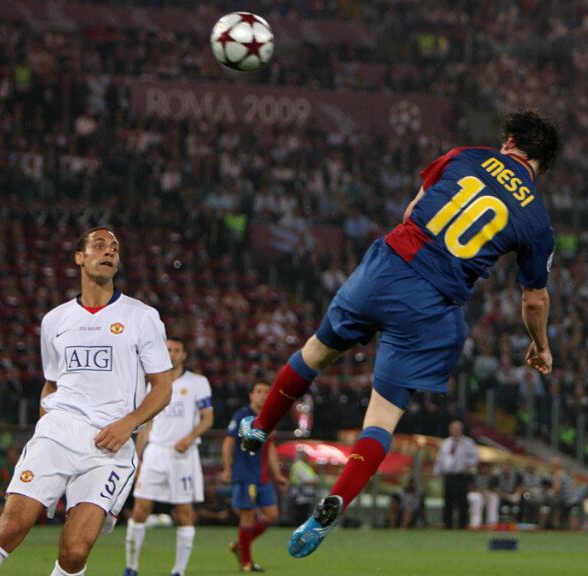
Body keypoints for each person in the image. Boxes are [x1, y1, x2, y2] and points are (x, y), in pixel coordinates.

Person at [239, 109, 563, 557]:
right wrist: (541, 345)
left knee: (316, 352)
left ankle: (259, 427)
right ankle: (338, 498)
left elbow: (414, 208)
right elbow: (533, 300)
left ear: (509, 141)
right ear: (542, 165)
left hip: (388, 266)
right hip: (433, 306)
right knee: (382, 417)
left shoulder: (466, 156)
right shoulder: (537, 221)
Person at [0, 227, 174, 576]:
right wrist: (45, 424)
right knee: (12, 525)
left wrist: (127, 424)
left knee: (75, 551)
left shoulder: (142, 316)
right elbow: (51, 383)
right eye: (100, 245)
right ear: (79, 256)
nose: (109, 252)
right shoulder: (55, 320)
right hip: (58, 433)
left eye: (115, 249)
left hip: (110, 444)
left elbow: (163, 387)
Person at [124, 337, 214, 576]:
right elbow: (146, 422)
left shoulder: (198, 382)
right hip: (155, 452)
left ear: (184, 355)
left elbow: (208, 417)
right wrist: (138, 457)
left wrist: (190, 436)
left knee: (184, 513)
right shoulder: (152, 384)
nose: (172, 354)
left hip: (182, 455)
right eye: (168, 350)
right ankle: (131, 567)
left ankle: (179, 570)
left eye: (177, 350)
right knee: (140, 509)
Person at [222, 382, 290, 572]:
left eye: (266, 392)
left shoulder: (270, 417)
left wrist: (277, 475)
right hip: (245, 475)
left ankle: (240, 546)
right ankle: (246, 562)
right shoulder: (242, 416)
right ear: (251, 395)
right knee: (247, 517)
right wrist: (227, 469)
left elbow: (270, 449)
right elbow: (228, 443)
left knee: (272, 515)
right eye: (258, 391)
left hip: (264, 477)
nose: (262, 395)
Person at [433, 420, 479, 529]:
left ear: (461, 430)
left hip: (461, 475)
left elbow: (475, 457)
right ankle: (447, 523)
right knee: (448, 500)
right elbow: (440, 458)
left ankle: (462, 524)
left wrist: (469, 465)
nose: (454, 430)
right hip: (449, 475)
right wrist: (437, 471)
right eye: (452, 428)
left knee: (462, 500)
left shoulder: (468, 443)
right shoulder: (446, 442)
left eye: (456, 428)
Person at [467, 462, 499, 529]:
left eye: (487, 467)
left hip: (486, 494)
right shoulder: (473, 475)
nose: (485, 469)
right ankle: (475, 524)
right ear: (479, 468)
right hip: (474, 493)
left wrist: (487, 492)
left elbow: (494, 489)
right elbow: (470, 488)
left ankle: (492, 523)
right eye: (483, 467)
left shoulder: (492, 477)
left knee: (494, 497)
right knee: (478, 498)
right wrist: (481, 492)